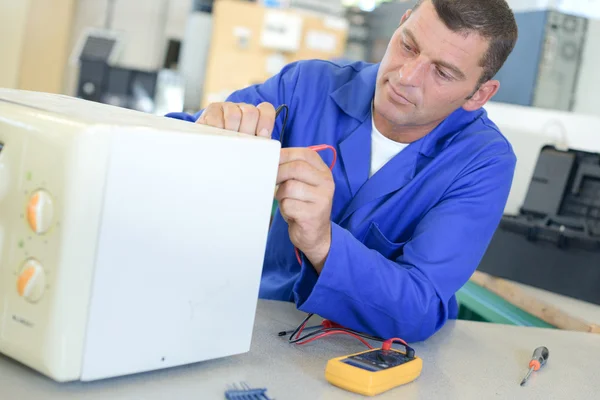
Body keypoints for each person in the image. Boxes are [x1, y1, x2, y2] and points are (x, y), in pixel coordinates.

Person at [167, 0, 519, 342]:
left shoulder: (483, 162)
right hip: (258, 317)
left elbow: (419, 304)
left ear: (479, 94)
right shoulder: (308, 86)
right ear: (402, 23)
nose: (406, 76)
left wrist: (323, 243)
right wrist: (207, 130)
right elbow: (158, 145)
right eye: (408, 46)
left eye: (442, 72)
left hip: (372, 350)